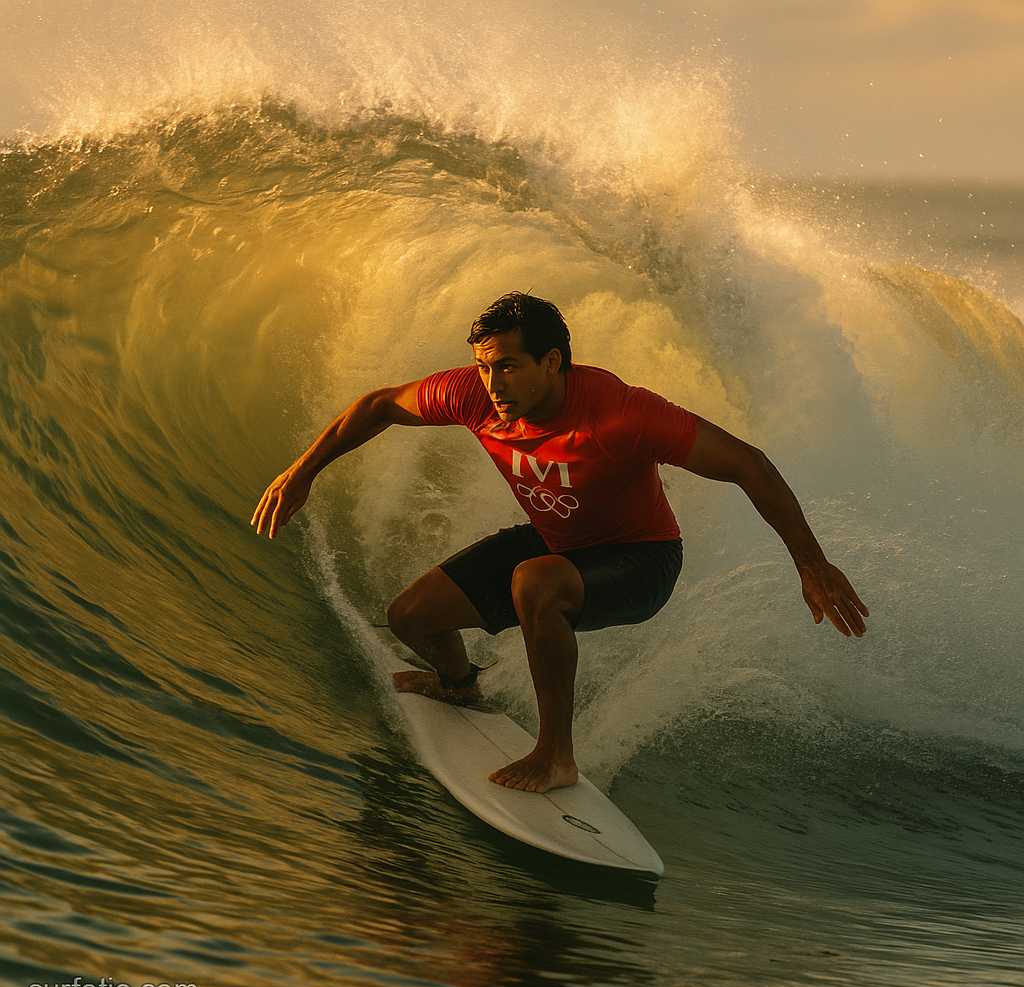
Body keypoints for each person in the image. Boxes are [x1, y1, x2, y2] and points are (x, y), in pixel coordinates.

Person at [252, 292, 868, 793]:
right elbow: (380, 405)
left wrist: (811, 564)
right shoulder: (472, 393)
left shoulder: (620, 414)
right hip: (557, 541)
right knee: (410, 618)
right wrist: (301, 472)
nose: (492, 381)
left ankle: (556, 756)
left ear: (553, 362)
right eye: (485, 365)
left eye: (508, 366)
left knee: (533, 581)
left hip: (641, 558)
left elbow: (749, 464)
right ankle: (461, 683)